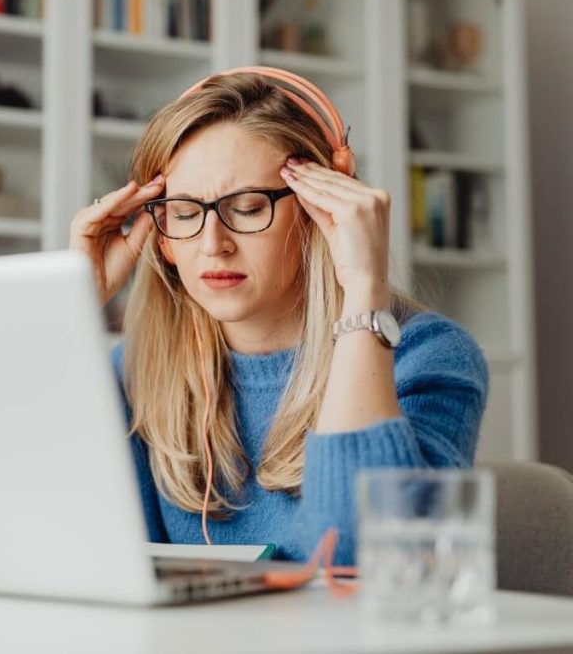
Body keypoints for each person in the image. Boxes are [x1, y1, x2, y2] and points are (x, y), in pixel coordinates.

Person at [68, 68, 488, 565]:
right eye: (183, 214)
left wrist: (362, 294)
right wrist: (71, 307)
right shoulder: (136, 370)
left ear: (321, 210)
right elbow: (68, 544)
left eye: (246, 208)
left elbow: (359, 559)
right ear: (160, 234)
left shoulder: (428, 357)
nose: (212, 245)